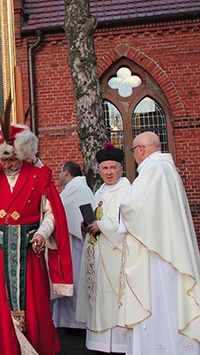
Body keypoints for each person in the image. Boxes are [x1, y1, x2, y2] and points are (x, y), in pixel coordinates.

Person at [0, 123, 73, 355]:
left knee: (33, 306)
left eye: (13, 159)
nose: (7, 165)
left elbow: (51, 213)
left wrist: (42, 233)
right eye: (4, 159)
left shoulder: (40, 176)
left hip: (27, 254)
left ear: (24, 154)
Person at [119, 132, 200, 354]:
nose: (134, 155)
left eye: (133, 150)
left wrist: (120, 211)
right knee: (174, 303)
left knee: (160, 303)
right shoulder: (168, 169)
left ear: (140, 149)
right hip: (170, 250)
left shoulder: (153, 171)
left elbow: (134, 209)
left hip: (157, 255)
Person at [75, 143, 132, 352]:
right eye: (105, 168)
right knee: (97, 298)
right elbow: (96, 217)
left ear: (121, 169)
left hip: (115, 258)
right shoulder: (98, 192)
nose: (109, 172)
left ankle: (118, 345)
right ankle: (98, 344)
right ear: (99, 170)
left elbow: (130, 222)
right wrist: (87, 225)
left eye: (113, 167)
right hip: (97, 257)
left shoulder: (127, 191)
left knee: (113, 299)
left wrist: (103, 226)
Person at [52, 161, 93, 330]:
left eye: (60, 172)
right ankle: (67, 319)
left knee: (75, 281)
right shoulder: (82, 188)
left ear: (67, 172)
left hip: (74, 245)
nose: (59, 176)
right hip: (73, 241)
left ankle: (75, 321)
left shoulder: (75, 189)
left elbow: (57, 211)